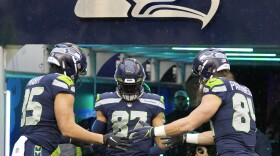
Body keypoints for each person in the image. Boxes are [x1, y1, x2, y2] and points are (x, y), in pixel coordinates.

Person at [129, 48, 258, 156]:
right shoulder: (244, 90)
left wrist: (153, 131)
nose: (201, 80)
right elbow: (218, 136)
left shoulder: (216, 83)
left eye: (200, 74)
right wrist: (184, 138)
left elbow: (190, 123)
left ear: (208, 69)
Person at [11, 43, 130, 156]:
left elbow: (44, 128)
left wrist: (71, 140)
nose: (77, 74)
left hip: (26, 145)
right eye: (78, 68)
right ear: (69, 63)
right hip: (36, 148)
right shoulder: (62, 81)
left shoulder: (35, 81)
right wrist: (103, 139)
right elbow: (67, 128)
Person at [92, 58, 167, 155]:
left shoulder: (154, 103)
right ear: (118, 82)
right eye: (126, 86)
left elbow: (162, 143)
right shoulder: (105, 101)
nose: (129, 89)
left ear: (141, 82)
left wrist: (147, 153)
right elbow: (94, 138)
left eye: (133, 86)